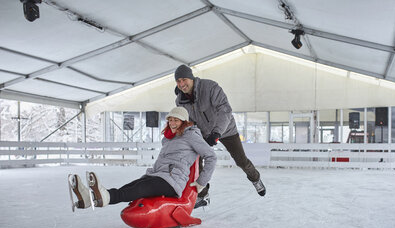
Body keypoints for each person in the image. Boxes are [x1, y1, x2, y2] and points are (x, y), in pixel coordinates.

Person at [69, 107, 216, 209]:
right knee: (130, 187)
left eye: (176, 120)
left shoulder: (191, 135)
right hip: (157, 175)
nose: (172, 123)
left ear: (184, 121)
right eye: (170, 120)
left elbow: (211, 156)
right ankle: (90, 199)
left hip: (172, 181)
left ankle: (103, 197)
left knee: (139, 188)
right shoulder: (168, 139)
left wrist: (201, 182)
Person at [174, 64, 266, 208]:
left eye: (184, 79)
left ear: (191, 78)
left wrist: (217, 132)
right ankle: (202, 195)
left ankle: (255, 178)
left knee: (241, 161)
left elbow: (225, 109)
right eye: (178, 81)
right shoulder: (180, 100)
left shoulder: (210, 87)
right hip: (203, 133)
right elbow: (185, 120)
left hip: (226, 129)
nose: (181, 84)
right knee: (195, 164)